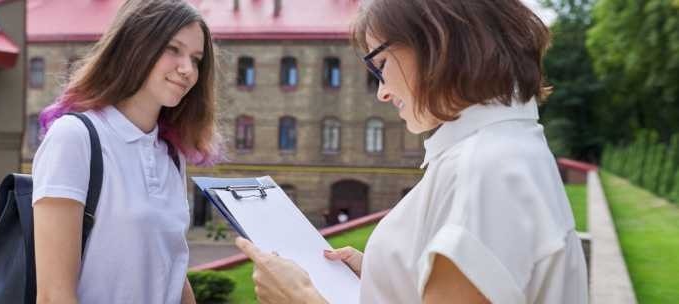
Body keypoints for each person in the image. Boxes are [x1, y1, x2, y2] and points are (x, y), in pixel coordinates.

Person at [235, 0, 588, 303]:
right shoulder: (508, 146)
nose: (382, 92)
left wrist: (301, 299)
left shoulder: (481, 172)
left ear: (437, 43)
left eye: (379, 65)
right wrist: (385, 275)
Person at [31, 0, 221, 303]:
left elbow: (171, 269)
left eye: (196, 59)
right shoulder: (75, 138)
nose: (188, 70)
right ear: (134, 46)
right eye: (173, 49)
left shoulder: (171, 153)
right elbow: (54, 295)